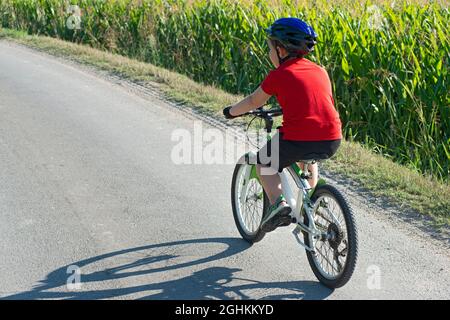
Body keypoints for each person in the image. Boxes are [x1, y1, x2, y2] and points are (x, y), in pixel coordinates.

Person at [223, 17, 342, 233]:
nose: (269, 53)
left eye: (270, 47)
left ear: (281, 49)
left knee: (264, 161)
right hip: (332, 138)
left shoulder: (279, 75)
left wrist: (230, 111)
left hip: (299, 139)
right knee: (309, 158)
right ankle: (311, 202)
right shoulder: (320, 71)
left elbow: (253, 101)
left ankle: (279, 205)